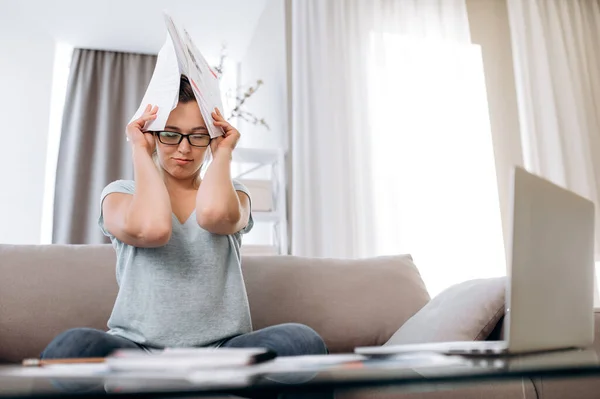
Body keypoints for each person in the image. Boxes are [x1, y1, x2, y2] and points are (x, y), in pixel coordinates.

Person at [41, 75, 327, 359]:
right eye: (170, 133)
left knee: (304, 342)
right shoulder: (120, 194)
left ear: (212, 138)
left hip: (222, 352)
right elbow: (152, 229)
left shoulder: (235, 193)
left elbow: (214, 216)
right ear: (151, 133)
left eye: (198, 135)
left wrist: (224, 152)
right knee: (73, 346)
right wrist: (139, 149)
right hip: (137, 350)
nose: (184, 148)